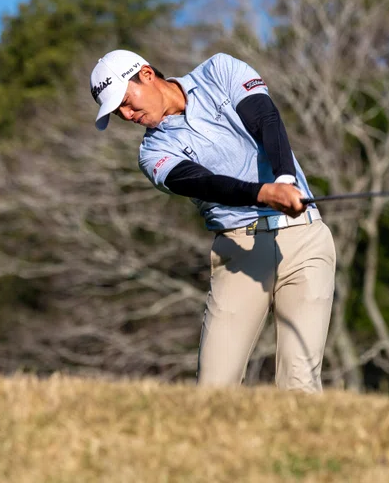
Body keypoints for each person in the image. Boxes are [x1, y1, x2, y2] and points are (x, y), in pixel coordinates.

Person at [89, 48, 337, 393]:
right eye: (118, 113)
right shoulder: (152, 154)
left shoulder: (219, 71)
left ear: (146, 74)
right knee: (213, 389)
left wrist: (284, 180)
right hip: (239, 251)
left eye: (126, 103)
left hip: (303, 238)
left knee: (300, 382)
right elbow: (206, 184)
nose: (127, 115)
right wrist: (264, 193)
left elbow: (265, 119)